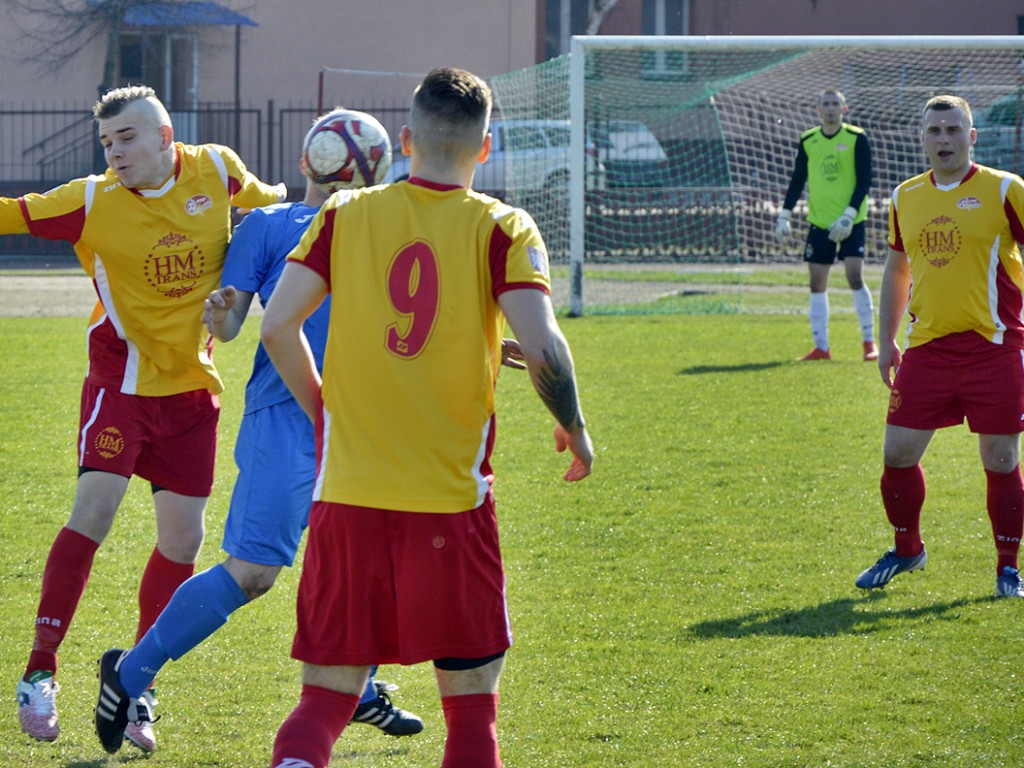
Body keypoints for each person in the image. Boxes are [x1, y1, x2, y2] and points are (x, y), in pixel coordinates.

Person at [260, 67, 593, 768]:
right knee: (472, 712)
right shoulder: (502, 225)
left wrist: (322, 407)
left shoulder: (344, 215)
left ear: (405, 140)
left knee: (324, 701)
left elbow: (278, 326)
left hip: (347, 496)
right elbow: (543, 346)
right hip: (450, 505)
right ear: (487, 146)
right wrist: (575, 424)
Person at [92, 109, 423, 755]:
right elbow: (234, 324)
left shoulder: (384, 222)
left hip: (366, 422)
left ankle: (357, 690)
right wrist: (220, 310)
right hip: (286, 421)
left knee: (370, 561)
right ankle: (128, 673)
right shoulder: (269, 225)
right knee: (253, 572)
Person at [3, 84, 286, 744]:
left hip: (192, 394)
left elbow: (271, 204)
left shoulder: (215, 169)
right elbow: (11, 214)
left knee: (182, 542)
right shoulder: (92, 200)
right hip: (121, 384)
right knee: (94, 512)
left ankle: (136, 685)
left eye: (126, 138)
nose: (115, 153)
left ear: (165, 137)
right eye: (106, 143)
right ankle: (38, 672)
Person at [854, 94, 1024, 598]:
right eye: (935, 131)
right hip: (926, 348)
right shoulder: (905, 197)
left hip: (995, 347)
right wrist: (886, 339)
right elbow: (897, 268)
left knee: (1000, 460)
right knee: (897, 455)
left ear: (971, 137)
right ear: (922, 138)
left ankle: (1007, 568)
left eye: (953, 130)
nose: (944, 139)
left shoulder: (1006, 190)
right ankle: (908, 549)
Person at [775, 89, 879, 362]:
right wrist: (784, 214)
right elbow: (798, 179)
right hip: (820, 221)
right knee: (816, 282)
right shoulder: (808, 140)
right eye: (826, 104)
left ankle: (869, 343)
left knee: (855, 276)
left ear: (844, 109)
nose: (831, 108)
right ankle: (822, 347)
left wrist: (848, 214)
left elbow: (865, 179)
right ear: (818, 109)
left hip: (851, 220)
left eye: (836, 104)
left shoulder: (857, 137)